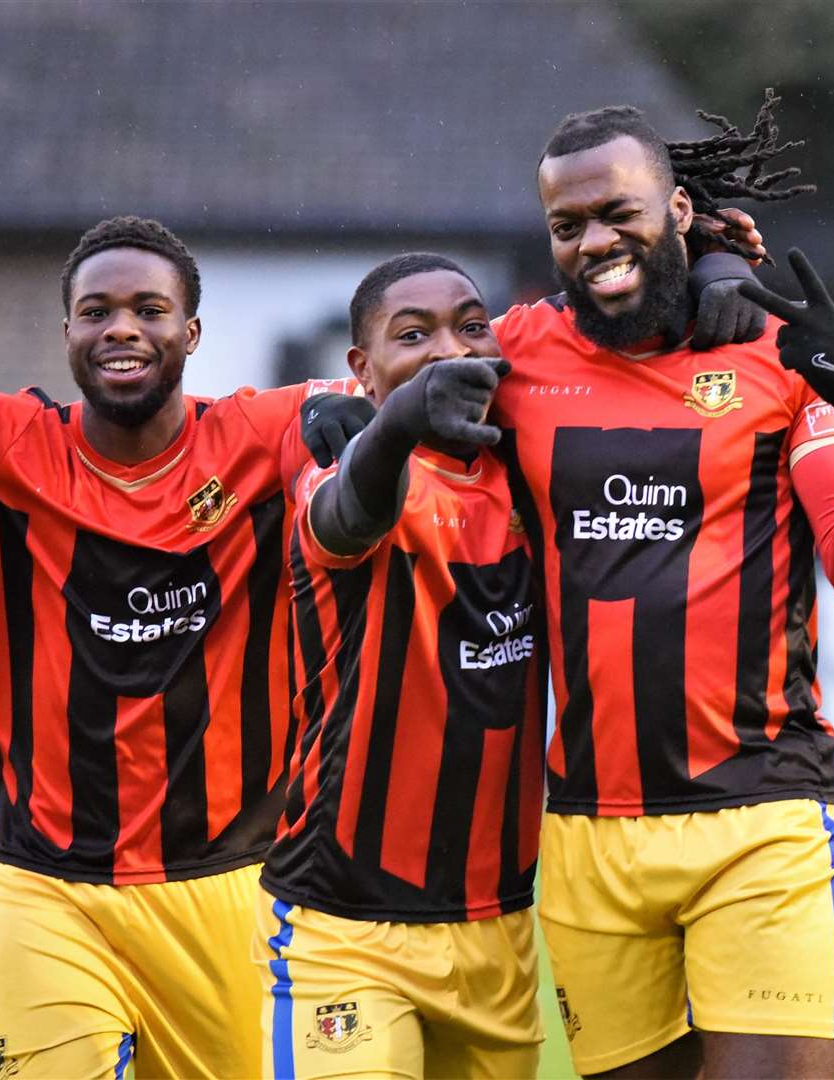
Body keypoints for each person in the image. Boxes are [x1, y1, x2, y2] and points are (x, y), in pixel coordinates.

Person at [0, 215, 369, 1080]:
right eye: (96, 311)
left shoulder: (261, 435)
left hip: (233, 892)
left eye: (149, 309)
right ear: (67, 335)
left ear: (191, 332)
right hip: (47, 894)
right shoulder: (7, 445)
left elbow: (382, 388)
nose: (123, 328)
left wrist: (362, 414)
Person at [490, 101, 834, 1078]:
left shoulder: (773, 352)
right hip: (591, 833)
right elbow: (394, 367)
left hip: (758, 820)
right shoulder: (516, 360)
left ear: (681, 208)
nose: (595, 240)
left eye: (619, 212)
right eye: (568, 225)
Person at [256, 254, 547, 1079]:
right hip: (344, 925)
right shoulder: (342, 461)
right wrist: (392, 424)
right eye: (411, 335)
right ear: (362, 367)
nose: (448, 349)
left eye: (469, 325)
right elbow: (346, 516)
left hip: (499, 925)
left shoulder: (533, 476)